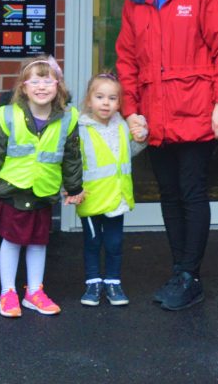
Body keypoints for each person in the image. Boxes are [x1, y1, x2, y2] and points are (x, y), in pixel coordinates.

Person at [115, 0, 218, 312]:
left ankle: (189, 274)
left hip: (195, 109)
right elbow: (127, 60)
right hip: (155, 114)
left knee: (191, 193)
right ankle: (181, 271)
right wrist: (131, 111)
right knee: (168, 195)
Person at [0, 56, 84, 318]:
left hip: (44, 190)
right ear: (23, 87)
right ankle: (8, 292)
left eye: (48, 80)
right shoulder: (9, 116)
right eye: (35, 81)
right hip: (13, 190)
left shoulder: (68, 118)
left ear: (58, 86)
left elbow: (72, 156)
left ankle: (34, 292)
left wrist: (74, 189)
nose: (41, 86)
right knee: (12, 241)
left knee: (39, 242)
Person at [76, 71, 147, 307]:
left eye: (112, 98)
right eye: (99, 97)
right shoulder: (80, 129)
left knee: (115, 243)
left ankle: (114, 283)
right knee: (93, 243)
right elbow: (72, 161)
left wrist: (141, 138)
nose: (105, 103)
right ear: (89, 100)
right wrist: (70, 188)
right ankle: (93, 282)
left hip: (117, 196)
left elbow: (129, 154)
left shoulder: (122, 127)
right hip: (91, 197)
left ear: (119, 103)